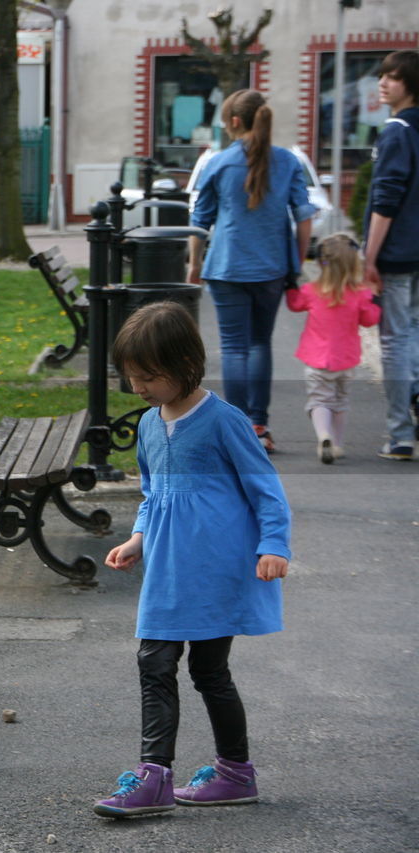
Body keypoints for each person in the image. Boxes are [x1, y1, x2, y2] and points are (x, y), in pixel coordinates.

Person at [93, 302, 290, 819]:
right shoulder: (148, 426)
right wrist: (138, 538)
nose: (139, 387)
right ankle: (155, 776)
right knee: (154, 662)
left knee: (209, 671)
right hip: (167, 569)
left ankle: (234, 773)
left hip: (215, 569)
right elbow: (152, 493)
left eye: (150, 377)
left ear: (186, 364)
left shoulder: (224, 422)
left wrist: (275, 545)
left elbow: (266, 490)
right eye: (132, 377)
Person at [188, 89, 316, 454]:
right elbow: (304, 217)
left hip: (227, 267)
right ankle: (260, 426)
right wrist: (298, 261)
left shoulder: (218, 163)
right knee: (261, 342)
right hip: (272, 268)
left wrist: (195, 264)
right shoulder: (288, 161)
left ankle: (238, 430)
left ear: (234, 121)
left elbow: (200, 222)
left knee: (233, 348)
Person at [363, 49, 419, 461]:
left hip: (399, 254)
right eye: (382, 75)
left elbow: (386, 200)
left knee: (397, 342)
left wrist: (369, 257)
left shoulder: (397, 130)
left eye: (393, 77)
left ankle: (401, 433)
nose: (383, 83)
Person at [285, 233, 381, 463]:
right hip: (346, 360)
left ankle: (323, 435)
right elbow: (370, 320)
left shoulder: (311, 291)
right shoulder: (360, 294)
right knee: (340, 402)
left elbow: (295, 304)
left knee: (319, 400)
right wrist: (376, 298)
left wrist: (290, 285)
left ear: (321, 263)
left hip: (316, 360)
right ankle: (337, 443)